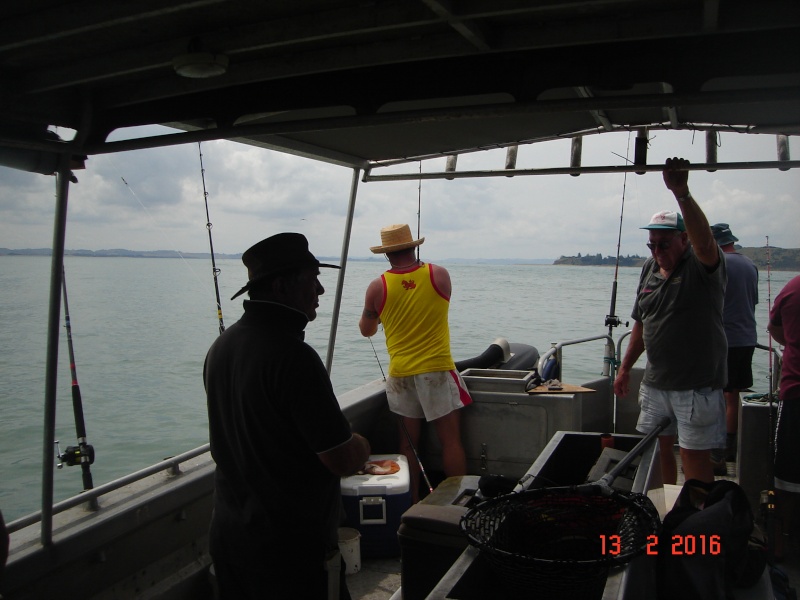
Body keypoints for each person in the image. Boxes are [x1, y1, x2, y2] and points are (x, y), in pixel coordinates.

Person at [204, 233, 371, 600]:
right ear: (281, 286)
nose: (322, 290)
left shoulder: (222, 346)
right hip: (288, 553)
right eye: (312, 279)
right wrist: (362, 445)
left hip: (230, 539)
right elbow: (340, 458)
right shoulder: (294, 357)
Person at [613, 158, 727, 485]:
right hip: (655, 382)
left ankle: (698, 522)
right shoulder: (649, 269)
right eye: (651, 245)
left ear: (683, 240)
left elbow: (706, 242)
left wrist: (682, 193)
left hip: (695, 385)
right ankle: (664, 512)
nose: (657, 250)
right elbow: (642, 323)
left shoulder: (702, 266)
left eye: (664, 243)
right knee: (655, 450)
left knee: (693, 456)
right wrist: (624, 369)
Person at [359, 223, 472, 502]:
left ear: (387, 254)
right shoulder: (439, 275)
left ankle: (411, 508)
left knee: (407, 447)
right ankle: (456, 504)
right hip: (436, 370)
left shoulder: (377, 287)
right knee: (451, 442)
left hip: (401, 376)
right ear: (414, 246)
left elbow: (367, 330)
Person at [709, 223, 758, 470]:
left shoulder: (717, 264)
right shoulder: (750, 265)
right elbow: (754, 301)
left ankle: (715, 454)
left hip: (722, 339)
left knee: (715, 395)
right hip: (747, 338)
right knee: (732, 394)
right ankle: (728, 450)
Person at [768, 275, 800, 560]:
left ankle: (781, 538)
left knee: (786, 472)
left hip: (795, 392)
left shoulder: (792, 288)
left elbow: (774, 329)